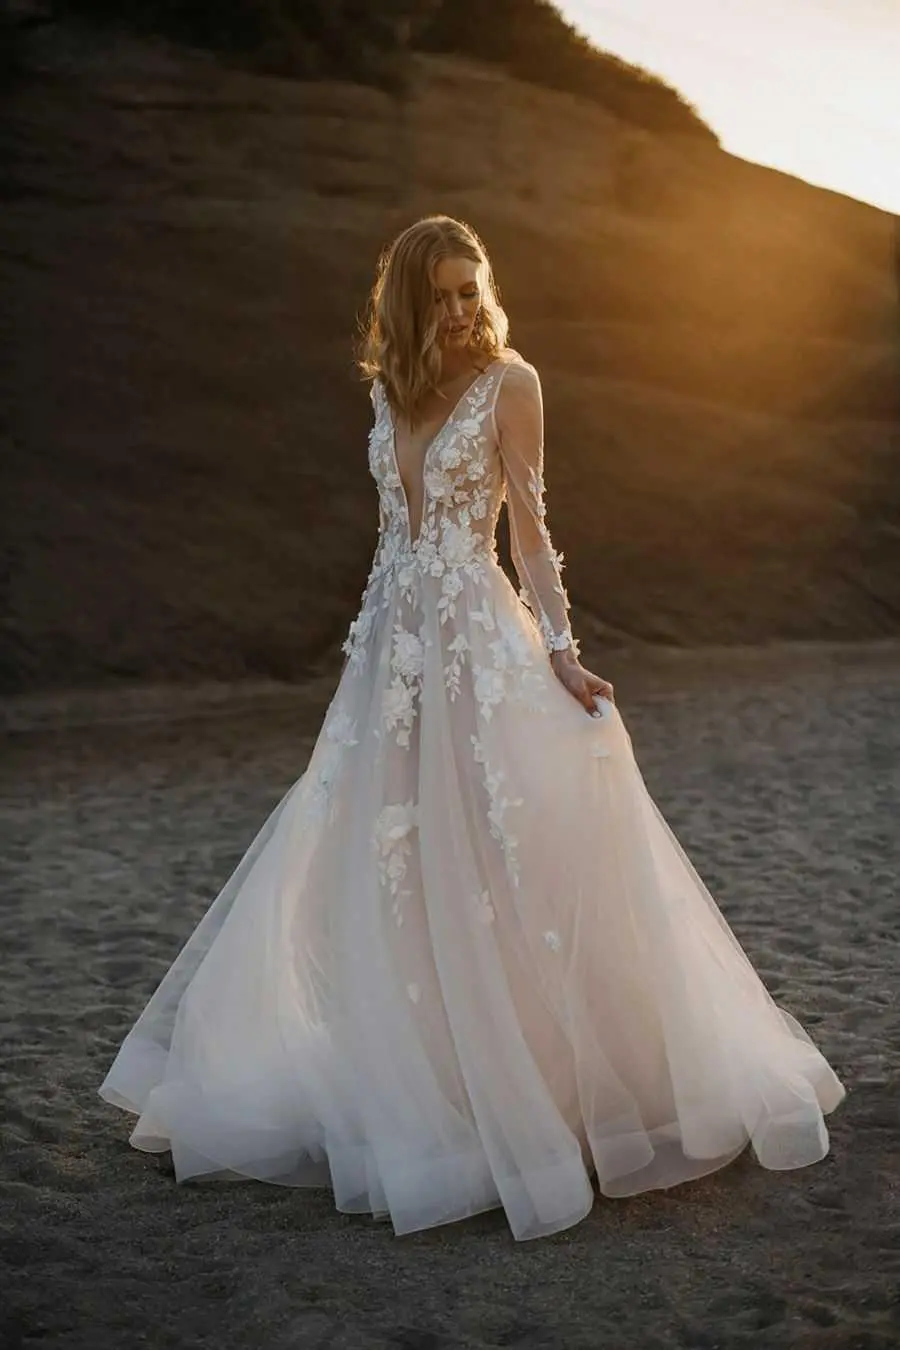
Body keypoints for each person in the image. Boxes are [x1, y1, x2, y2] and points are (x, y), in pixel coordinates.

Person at [98, 214, 846, 1242]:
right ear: (408, 302)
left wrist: (562, 648)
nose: (459, 312)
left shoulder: (513, 384)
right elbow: (388, 537)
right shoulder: (387, 389)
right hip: (390, 661)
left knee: (497, 859)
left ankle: (540, 1089)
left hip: (477, 652)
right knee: (385, 866)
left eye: (470, 290)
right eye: (440, 296)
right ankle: (430, 1086)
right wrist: (367, 653)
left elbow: (530, 528)